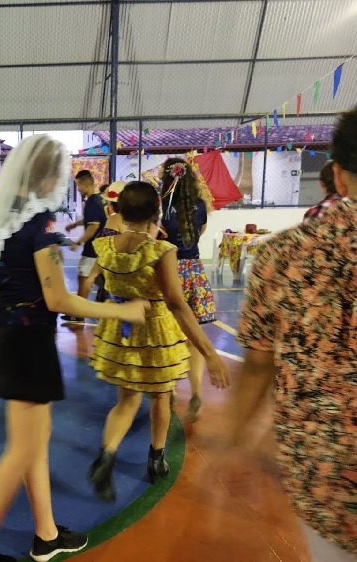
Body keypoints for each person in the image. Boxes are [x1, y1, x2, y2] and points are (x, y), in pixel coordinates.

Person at [0, 134, 149, 562]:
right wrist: (122, 311)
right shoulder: (41, 223)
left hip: (8, 336)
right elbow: (58, 300)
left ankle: (46, 535)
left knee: (34, 441)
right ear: (47, 176)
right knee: (20, 452)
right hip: (29, 345)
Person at [230, 108, 357, 560]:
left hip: (325, 470)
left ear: (337, 176)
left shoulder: (281, 255)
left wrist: (238, 435)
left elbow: (257, 365)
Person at [86, 181, 230, 502]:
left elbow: (102, 276)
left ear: (119, 211)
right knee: (160, 399)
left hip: (120, 330)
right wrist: (209, 353)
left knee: (126, 401)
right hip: (155, 333)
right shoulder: (161, 251)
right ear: (157, 213)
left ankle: (106, 455)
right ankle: (156, 459)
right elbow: (177, 304)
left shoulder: (105, 246)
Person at [158, 157, 217, 421]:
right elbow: (199, 231)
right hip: (193, 271)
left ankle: (170, 388)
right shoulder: (200, 205)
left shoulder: (161, 206)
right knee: (194, 336)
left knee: (168, 335)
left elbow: (157, 238)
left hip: (168, 270)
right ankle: (195, 392)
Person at [63, 170, 106, 322]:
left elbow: (93, 226)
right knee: (96, 278)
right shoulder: (97, 200)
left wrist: (78, 242)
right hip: (99, 248)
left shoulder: (93, 202)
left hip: (92, 249)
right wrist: (75, 224)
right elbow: (90, 219)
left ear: (84, 185)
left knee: (83, 278)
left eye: (78, 185)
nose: (78, 188)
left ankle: (79, 313)